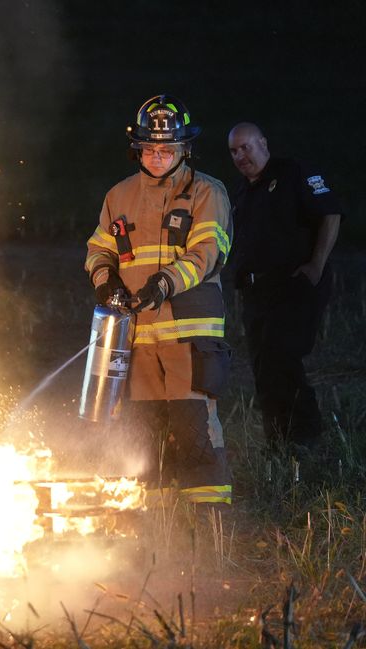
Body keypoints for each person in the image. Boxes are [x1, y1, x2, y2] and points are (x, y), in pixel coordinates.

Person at [86, 95, 233, 505]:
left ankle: (208, 525)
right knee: (146, 432)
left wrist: (164, 283)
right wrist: (105, 279)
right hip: (137, 336)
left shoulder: (207, 192)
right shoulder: (119, 196)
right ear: (137, 148)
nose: (156, 157)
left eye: (166, 149)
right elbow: (99, 249)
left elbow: (207, 253)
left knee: (193, 429)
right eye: (149, 149)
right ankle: (155, 526)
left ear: (185, 149)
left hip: (190, 333)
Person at [227, 122, 342, 453]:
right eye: (234, 151)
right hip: (256, 293)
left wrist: (316, 266)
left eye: (246, 147)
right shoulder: (241, 192)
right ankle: (276, 443)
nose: (240, 156)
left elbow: (330, 214)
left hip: (293, 285)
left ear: (263, 142)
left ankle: (306, 437)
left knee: (282, 356)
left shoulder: (293, 173)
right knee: (263, 366)